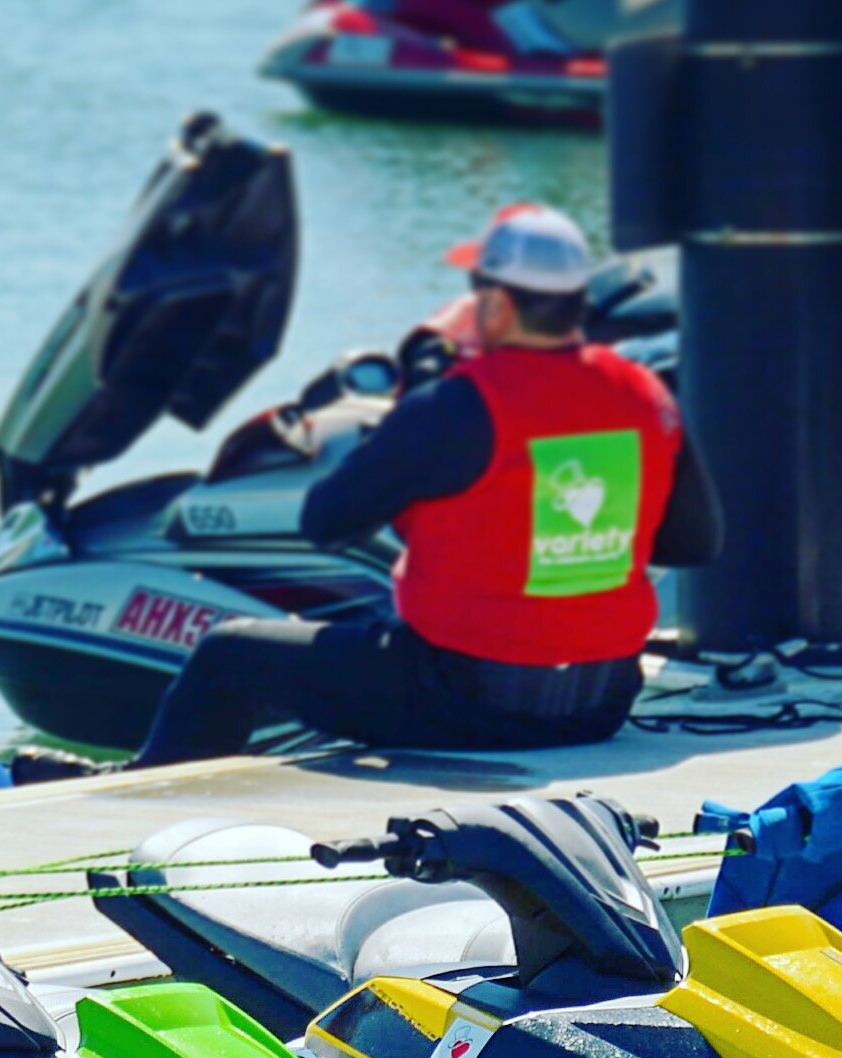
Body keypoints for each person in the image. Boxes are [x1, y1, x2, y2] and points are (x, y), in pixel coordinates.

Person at [133, 204, 718, 767]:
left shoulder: (461, 402)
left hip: (466, 702)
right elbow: (694, 542)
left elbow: (327, 521)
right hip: (599, 704)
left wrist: (420, 389)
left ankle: (141, 801)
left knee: (227, 653)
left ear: (497, 303)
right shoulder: (645, 393)